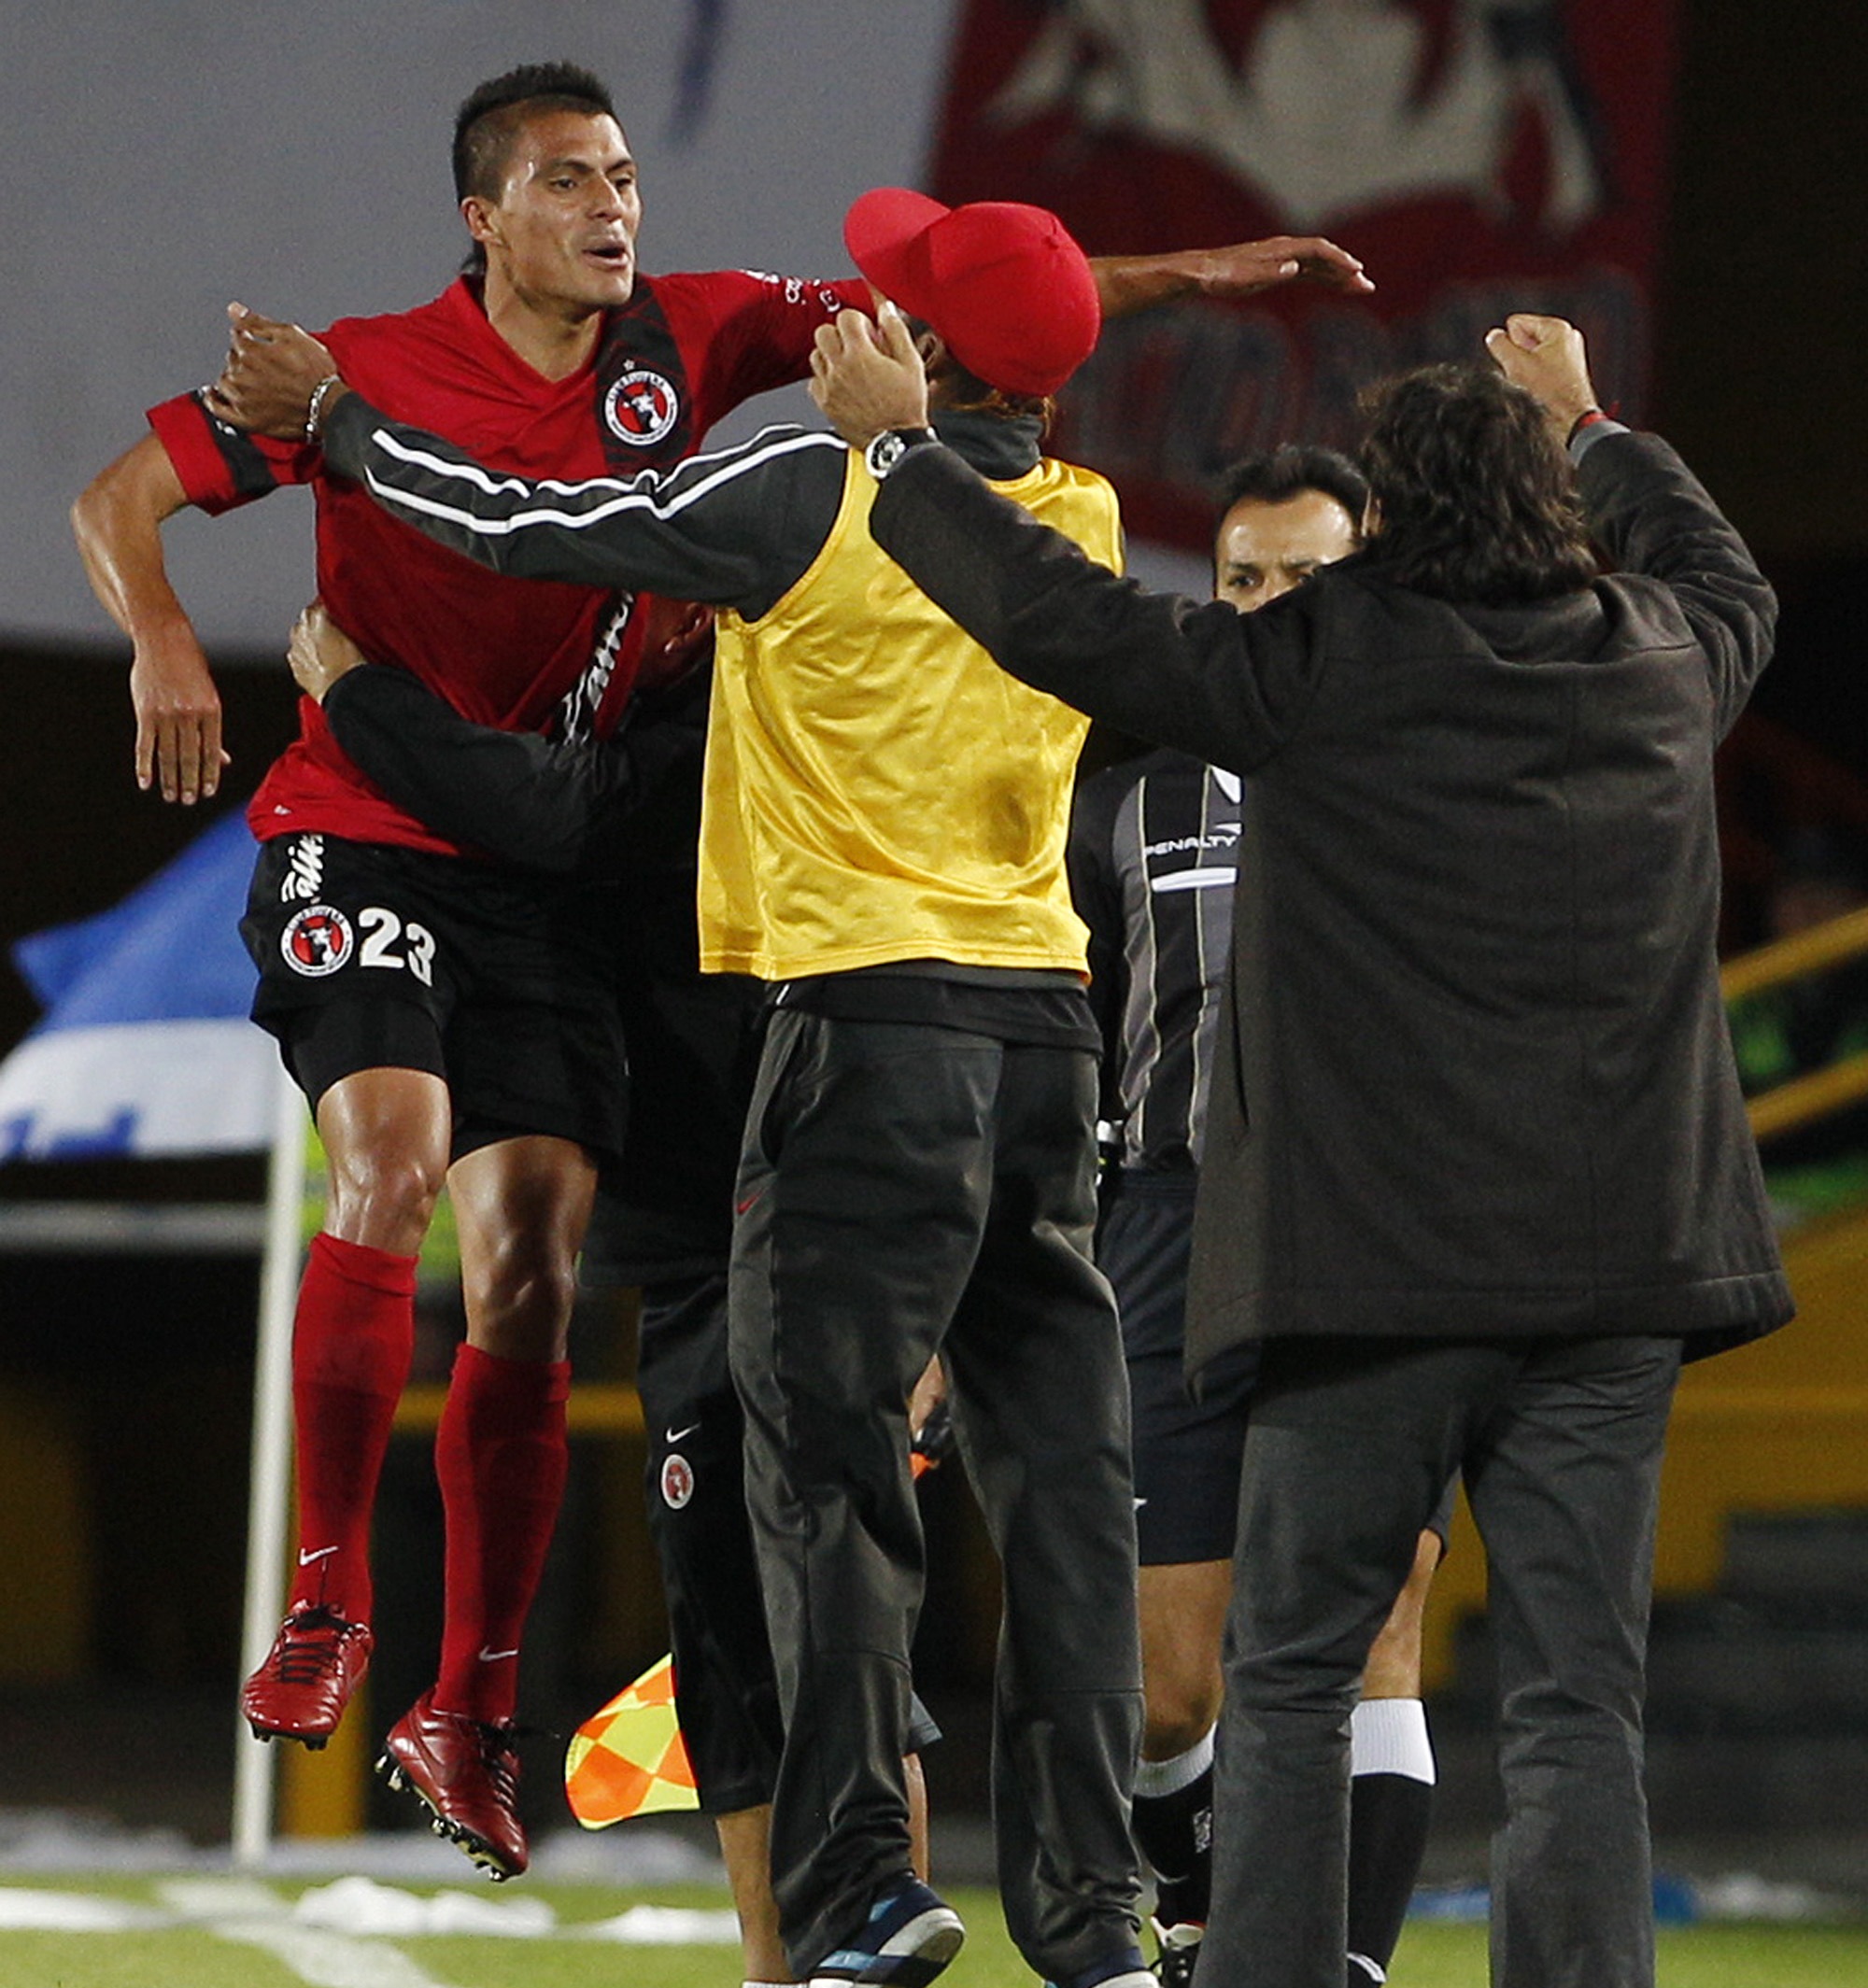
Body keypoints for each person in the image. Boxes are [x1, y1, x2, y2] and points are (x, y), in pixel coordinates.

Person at [71, 54, 1362, 1887]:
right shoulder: (356, 366)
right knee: (393, 1163)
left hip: (582, 890)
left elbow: (952, 327)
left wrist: (1187, 272)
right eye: (572, 177)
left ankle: (477, 1706)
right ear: (483, 212)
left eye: (624, 174)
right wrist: (163, 646)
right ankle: (326, 1604)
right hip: (374, 832)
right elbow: (120, 498)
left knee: (531, 1273)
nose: (616, 204)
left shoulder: (699, 342)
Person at [810, 306, 1792, 1988]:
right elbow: (1719, 563)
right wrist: (1593, 420)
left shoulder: (1325, 659)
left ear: (1394, 522)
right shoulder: (1659, 657)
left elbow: (1065, 623)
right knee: (1580, 1706)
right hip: (1615, 1284)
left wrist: (897, 457)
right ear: (1548, 504)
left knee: (1284, 1679)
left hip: (1375, 1282)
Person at [286, 605, 975, 1988]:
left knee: (840, 1628)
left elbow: (553, 812)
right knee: (722, 1640)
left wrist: (358, 687)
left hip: (814, 1230)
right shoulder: (585, 734)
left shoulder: (758, 728)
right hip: (680, 1250)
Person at [1069, 445, 1445, 1988]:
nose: (1268, 611)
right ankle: (1214, 1940)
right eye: (1240, 583)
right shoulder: (1124, 800)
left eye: (1304, 580)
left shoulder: (1436, 774)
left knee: (1376, 1624)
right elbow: (1068, 1028)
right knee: (1169, 1679)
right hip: (1163, 1217)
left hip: (1369, 1227)